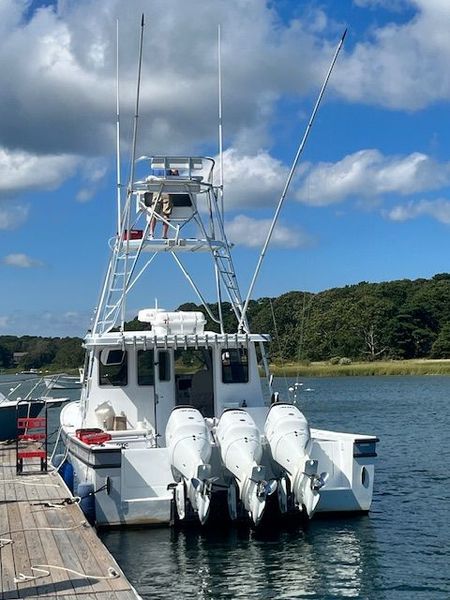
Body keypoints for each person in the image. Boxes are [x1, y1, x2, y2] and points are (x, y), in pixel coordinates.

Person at [147, 168, 179, 239]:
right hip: (167, 190)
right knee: (166, 214)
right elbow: (175, 173)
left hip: (156, 190)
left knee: (154, 213)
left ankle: (151, 233)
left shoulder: (155, 165)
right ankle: (164, 235)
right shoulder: (169, 165)